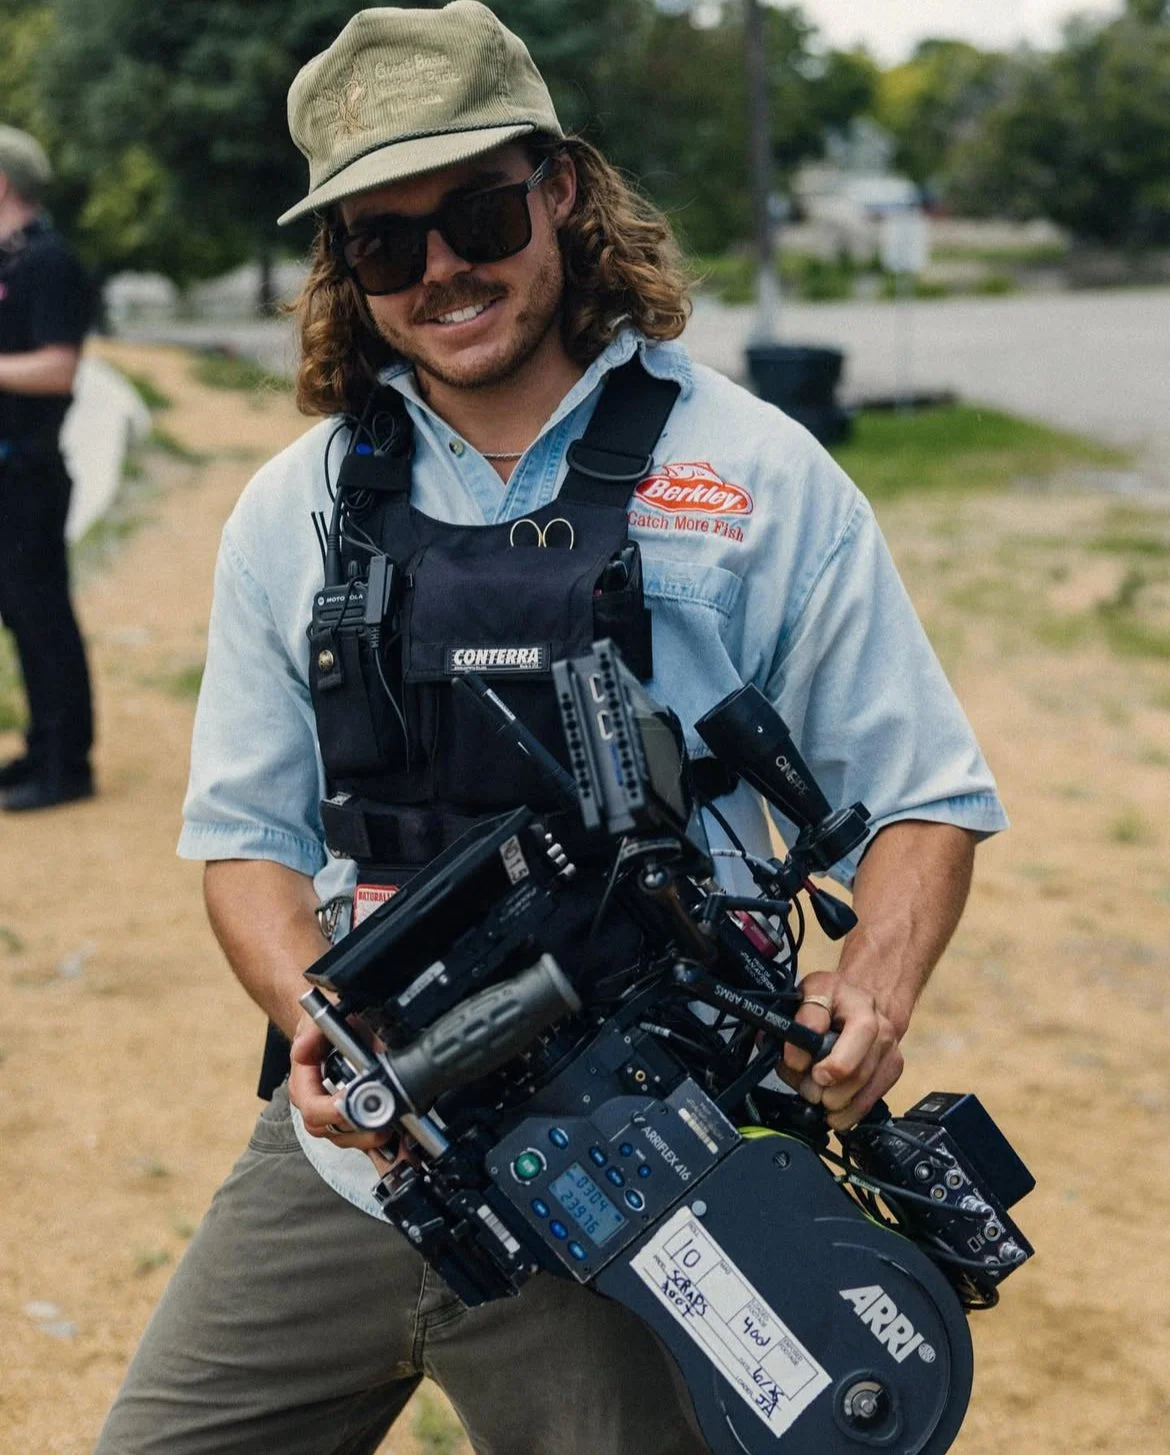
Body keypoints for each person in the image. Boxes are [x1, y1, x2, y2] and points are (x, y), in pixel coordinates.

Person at [94, 5, 1008, 1452]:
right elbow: (247, 842)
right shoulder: (296, 508)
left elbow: (920, 791)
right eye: (385, 243)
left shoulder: (752, 474)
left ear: (560, 190)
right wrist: (311, 1026)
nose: (442, 269)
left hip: (640, 1174)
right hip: (355, 1165)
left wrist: (873, 986)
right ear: (345, 264)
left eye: (474, 212)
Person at [0, 124, 94, 811]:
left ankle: (67, 766)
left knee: (42, 617)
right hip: (8, 475)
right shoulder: (10, 263)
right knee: (21, 616)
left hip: (29, 472)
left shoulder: (49, 263)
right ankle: (41, 747)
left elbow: (59, 368)